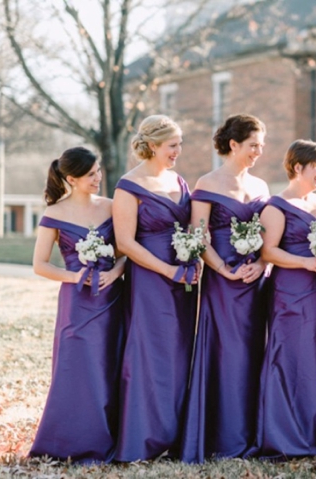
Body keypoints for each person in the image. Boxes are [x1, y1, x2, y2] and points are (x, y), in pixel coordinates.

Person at [252, 139, 316, 460]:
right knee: (293, 360)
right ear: (298, 167)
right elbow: (269, 251)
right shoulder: (276, 206)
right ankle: (289, 434)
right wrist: (307, 262)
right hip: (291, 295)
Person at [180, 114, 270, 463]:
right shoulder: (207, 182)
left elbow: (270, 234)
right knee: (226, 353)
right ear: (233, 145)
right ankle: (221, 436)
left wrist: (262, 264)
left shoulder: (262, 186)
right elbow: (198, 235)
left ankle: (251, 434)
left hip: (255, 282)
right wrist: (223, 270)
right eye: (253, 146)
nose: (258, 153)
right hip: (222, 282)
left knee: (252, 353)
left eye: (261, 146)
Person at [29, 147, 125, 463]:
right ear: (71, 178)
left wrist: (114, 271)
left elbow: (126, 251)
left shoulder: (112, 207)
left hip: (112, 298)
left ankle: (113, 438)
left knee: (110, 364)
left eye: (98, 172)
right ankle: (70, 440)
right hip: (77, 302)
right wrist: (74, 277)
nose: (98, 178)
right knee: (77, 367)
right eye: (90, 175)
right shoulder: (54, 214)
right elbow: (40, 265)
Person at [112, 115, 197, 461]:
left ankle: (177, 436)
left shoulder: (179, 180)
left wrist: (193, 260)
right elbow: (125, 242)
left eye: (179, 144)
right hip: (150, 280)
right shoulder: (128, 186)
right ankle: (144, 437)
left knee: (181, 353)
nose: (179, 151)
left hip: (185, 280)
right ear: (152, 146)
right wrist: (166, 270)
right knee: (151, 354)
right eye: (172, 145)